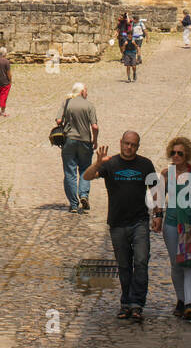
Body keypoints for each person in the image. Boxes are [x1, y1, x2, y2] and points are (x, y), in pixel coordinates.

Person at [83, 131, 156, 322]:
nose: (129, 147)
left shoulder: (145, 164)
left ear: (138, 147)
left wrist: (159, 214)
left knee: (140, 262)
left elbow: (156, 190)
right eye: (126, 143)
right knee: (124, 266)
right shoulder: (111, 163)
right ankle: (126, 303)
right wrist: (98, 163)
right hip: (117, 223)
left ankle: (137, 304)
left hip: (140, 221)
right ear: (121, 143)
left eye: (133, 145)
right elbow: (87, 176)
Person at [150, 135, 191, 322]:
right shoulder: (166, 174)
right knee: (176, 263)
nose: (176, 156)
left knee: (190, 262)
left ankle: (189, 304)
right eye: (173, 153)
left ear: (187, 155)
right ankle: (181, 299)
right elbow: (158, 198)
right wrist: (158, 216)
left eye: (180, 154)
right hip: (172, 223)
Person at [53, 81, 99, 213]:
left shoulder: (66, 102)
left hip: (69, 141)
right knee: (85, 169)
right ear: (81, 91)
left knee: (70, 172)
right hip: (85, 141)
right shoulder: (89, 105)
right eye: (86, 90)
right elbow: (95, 126)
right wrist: (95, 141)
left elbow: (58, 121)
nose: (87, 92)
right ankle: (84, 195)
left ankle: (73, 204)